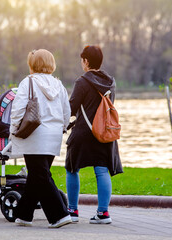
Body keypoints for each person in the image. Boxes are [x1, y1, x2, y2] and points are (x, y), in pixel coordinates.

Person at [10, 49, 72, 228]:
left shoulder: (28, 82)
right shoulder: (58, 85)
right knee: (37, 176)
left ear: (32, 64)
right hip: (53, 136)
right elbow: (66, 111)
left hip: (34, 135)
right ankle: (24, 215)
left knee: (41, 175)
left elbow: (18, 109)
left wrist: (14, 129)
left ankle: (60, 215)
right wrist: (61, 127)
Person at [65, 45, 123, 224]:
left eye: (82, 59)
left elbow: (72, 108)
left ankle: (73, 211)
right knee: (101, 169)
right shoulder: (110, 82)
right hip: (104, 132)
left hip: (83, 132)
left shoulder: (82, 82)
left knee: (72, 167)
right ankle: (103, 213)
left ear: (86, 61)